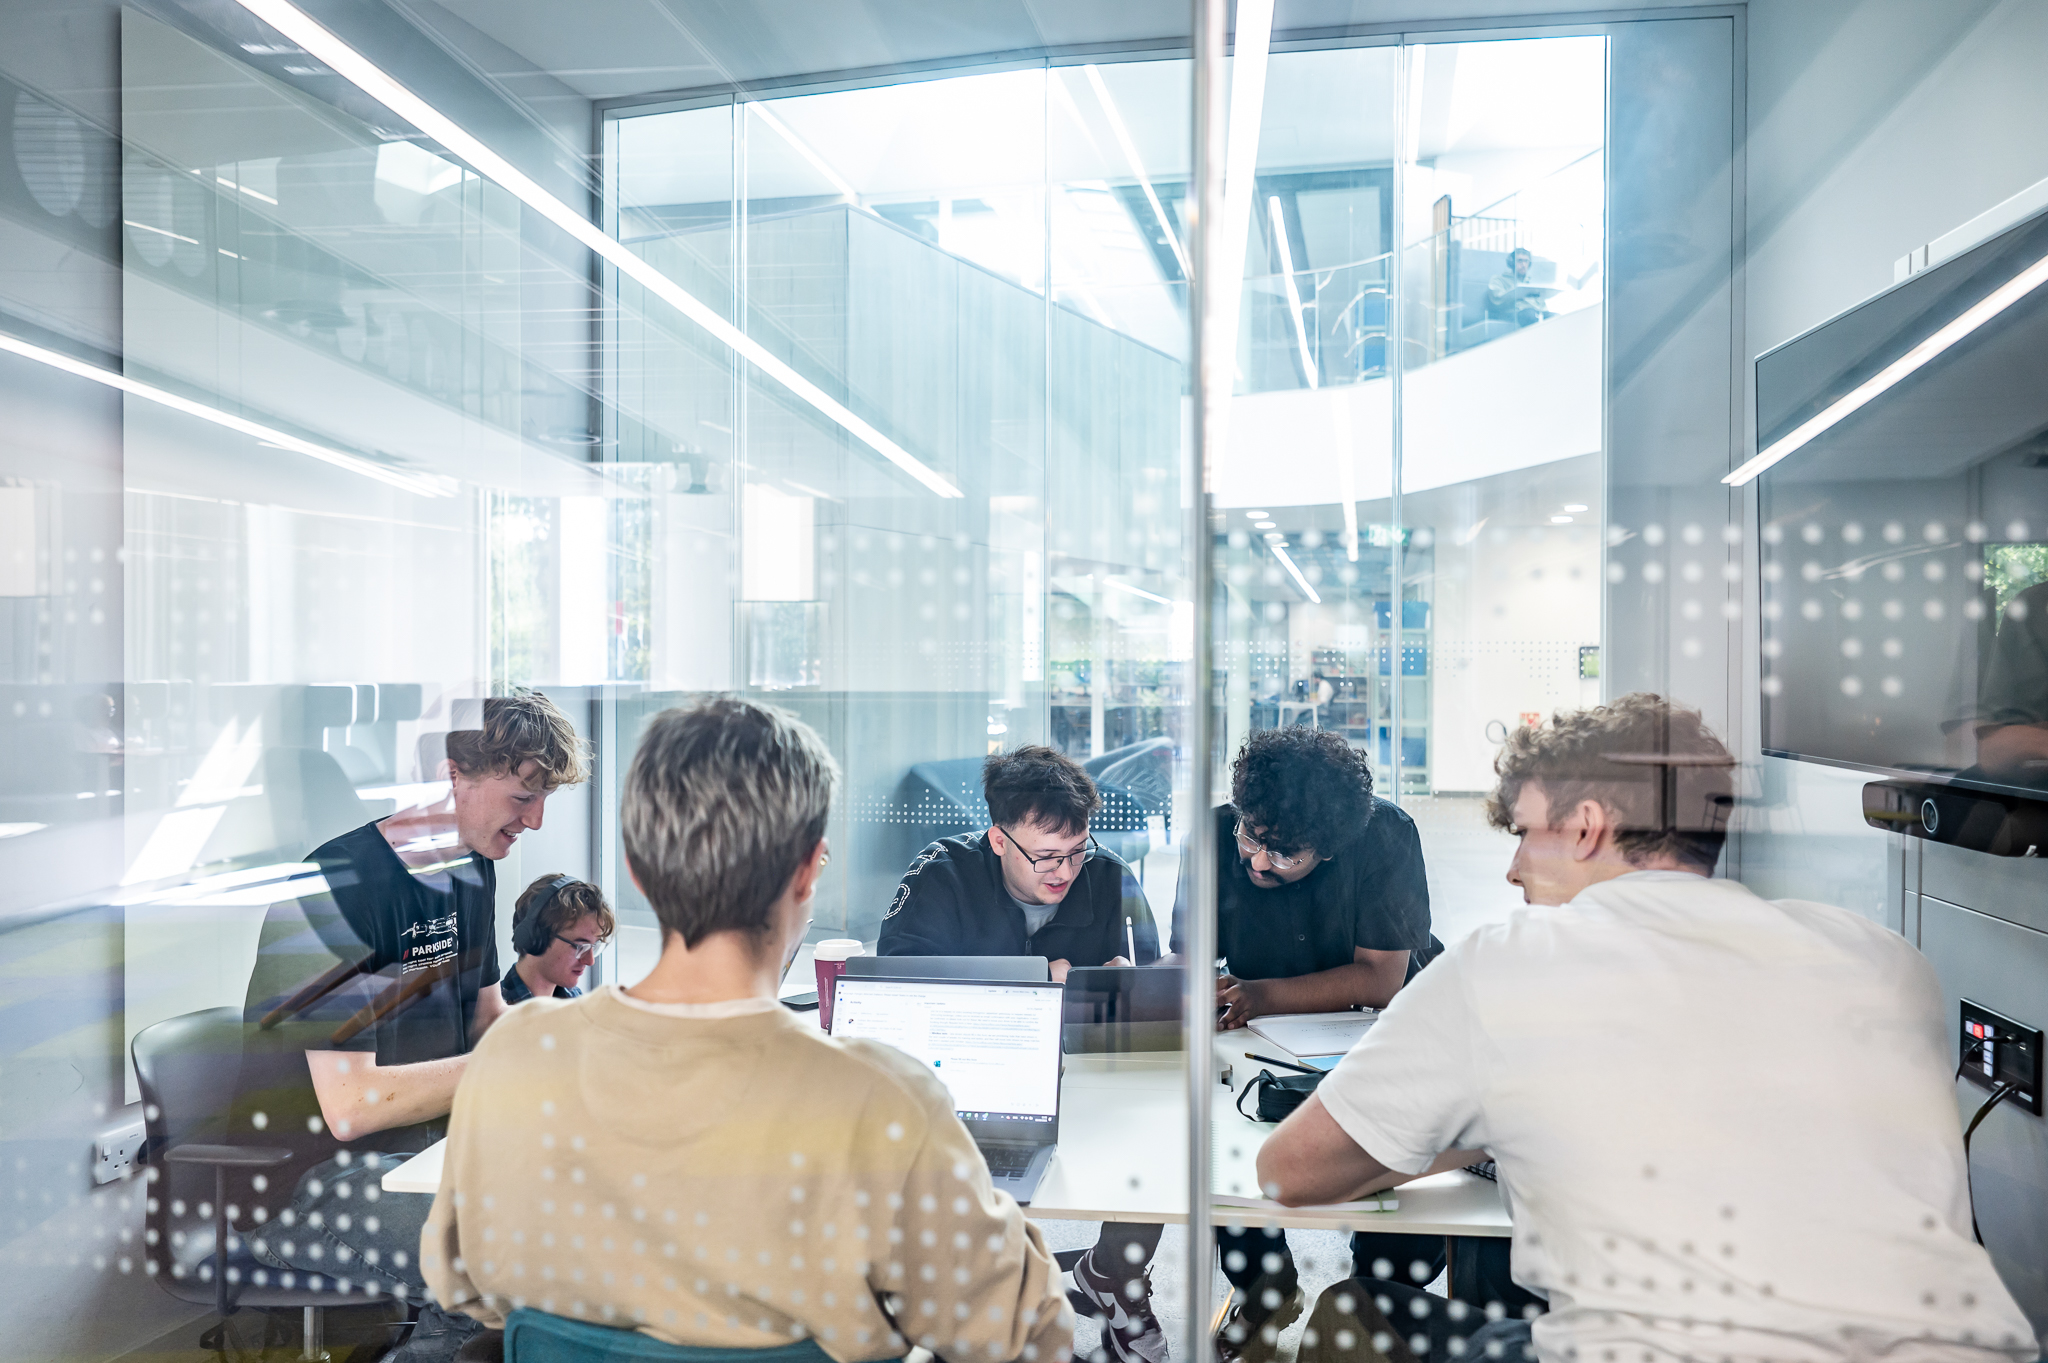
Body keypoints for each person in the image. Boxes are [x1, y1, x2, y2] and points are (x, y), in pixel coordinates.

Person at [1257, 694, 2038, 1361]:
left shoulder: (1512, 961)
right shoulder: (1883, 959)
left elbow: (1290, 1172)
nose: (1514, 867)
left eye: (1526, 831)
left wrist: (1482, 1122)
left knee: (1351, 1316)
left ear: (1589, 825)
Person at [421, 697, 1073, 1363]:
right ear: (807, 871)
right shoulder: (886, 1104)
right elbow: (1028, 1335)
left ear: (636, 870)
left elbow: (461, 1282)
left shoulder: (513, 1057)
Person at [236, 689, 587, 1359]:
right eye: (523, 797)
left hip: (422, 1157)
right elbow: (351, 1106)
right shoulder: (331, 890)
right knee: (504, 1256)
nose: (537, 821)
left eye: (544, 800)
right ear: (454, 772)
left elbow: (489, 1021)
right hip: (306, 1188)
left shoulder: (470, 869)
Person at [880, 746, 1166, 1363]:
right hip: (970, 1070)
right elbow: (895, 983)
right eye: (1045, 856)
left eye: (1076, 852)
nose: (1063, 871)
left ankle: (1119, 1275)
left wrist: (1131, 985)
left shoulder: (1111, 874)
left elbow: (1162, 983)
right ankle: (971, 1294)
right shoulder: (939, 871)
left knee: (1155, 1134)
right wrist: (1036, 977)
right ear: (998, 839)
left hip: (1086, 1063)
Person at [1167, 726, 1440, 1362]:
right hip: (1256, 1036)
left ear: (1332, 848)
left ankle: (1379, 1294)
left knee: (1393, 1194)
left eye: (1285, 854)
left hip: (1380, 1029)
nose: (1257, 860)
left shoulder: (1386, 838)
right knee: (1225, 1158)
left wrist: (1259, 994)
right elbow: (1188, 961)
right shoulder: (1213, 838)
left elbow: (1380, 978)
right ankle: (1262, 1285)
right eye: (1251, 835)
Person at [500, 873, 615, 1003]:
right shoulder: (493, 1015)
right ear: (536, 938)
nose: (589, 961)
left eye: (595, 947)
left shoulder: (575, 998)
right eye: (580, 946)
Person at [1484, 246, 1548, 328]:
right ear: (1512, 263)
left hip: (1534, 313)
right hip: (1513, 313)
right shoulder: (1499, 280)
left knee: (1554, 317)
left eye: (1526, 261)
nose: (1523, 265)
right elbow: (1497, 299)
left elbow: (1542, 306)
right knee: (1530, 315)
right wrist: (1516, 293)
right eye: (1519, 261)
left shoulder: (1531, 284)